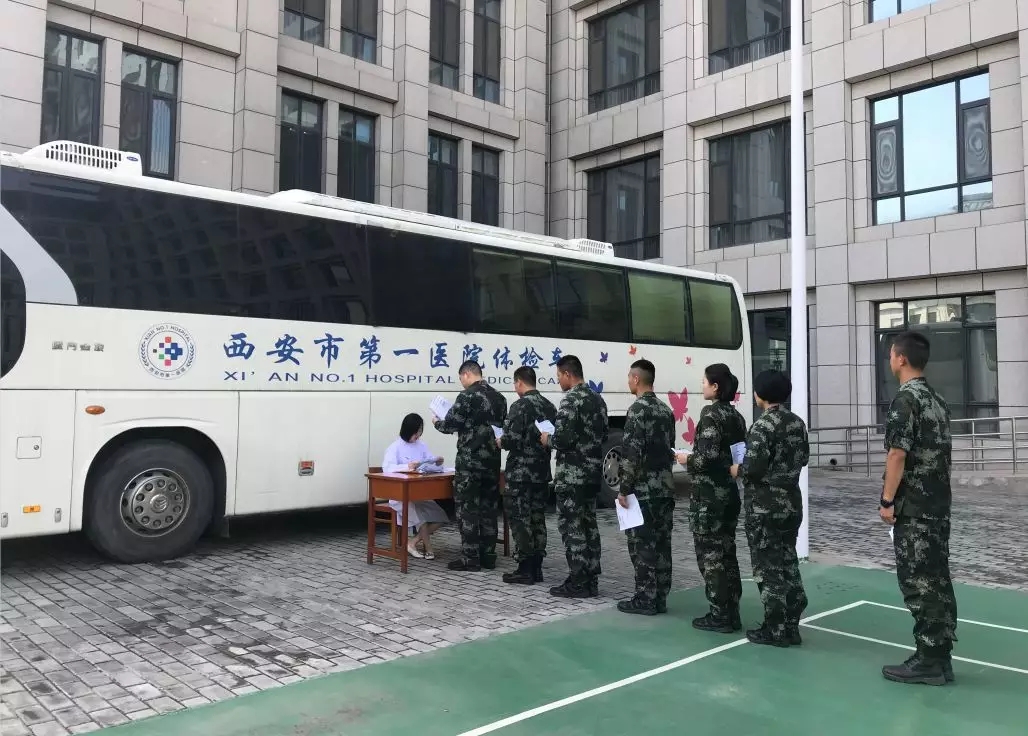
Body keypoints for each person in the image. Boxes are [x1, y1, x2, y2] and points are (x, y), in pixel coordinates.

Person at [879, 331, 957, 686]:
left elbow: (898, 453)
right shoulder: (937, 399)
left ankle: (928, 660)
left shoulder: (906, 399)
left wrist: (887, 500)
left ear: (901, 359)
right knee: (937, 579)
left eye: (892, 354)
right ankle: (940, 657)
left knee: (919, 582)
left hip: (914, 507)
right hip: (938, 505)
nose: (890, 360)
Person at [729, 370, 808, 647]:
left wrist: (736, 469)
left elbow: (752, 468)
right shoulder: (797, 423)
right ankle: (791, 625)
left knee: (768, 567)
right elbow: (803, 458)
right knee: (788, 561)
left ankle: (775, 629)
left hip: (765, 507)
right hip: (791, 504)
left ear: (760, 395)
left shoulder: (762, 426)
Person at [678, 363, 747, 632]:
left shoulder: (711, 415)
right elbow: (738, 456)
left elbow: (706, 459)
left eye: (705, 381)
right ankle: (732, 610)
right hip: (729, 494)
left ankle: (720, 614)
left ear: (715, 387)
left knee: (710, 556)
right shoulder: (737, 417)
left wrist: (686, 459)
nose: (702, 385)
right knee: (727, 553)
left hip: (709, 498)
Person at [540, 354, 607, 598]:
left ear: (568, 374)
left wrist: (548, 439)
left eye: (559, 376)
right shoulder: (598, 399)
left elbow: (563, 439)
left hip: (572, 476)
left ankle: (578, 580)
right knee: (589, 526)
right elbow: (603, 434)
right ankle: (591, 578)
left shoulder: (570, 400)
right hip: (592, 474)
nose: (558, 380)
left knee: (573, 528)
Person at [433, 360, 508, 571]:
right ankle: (488, 556)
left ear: (466, 374)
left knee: (468, 509)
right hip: (492, 462)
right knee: (489, 509)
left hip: (470, 463)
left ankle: (470, 558)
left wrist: (437, 422)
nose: (461, 382)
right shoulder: (500, 398)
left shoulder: (466, 396)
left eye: (460, 378)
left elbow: (451, 424)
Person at [617, 359, 676, 615]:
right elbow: (669, 448)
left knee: (642, 545)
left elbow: (631, 455)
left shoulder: (636, 410)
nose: (628, 382)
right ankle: (660, 596)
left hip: (643, 490)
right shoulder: (665, 410)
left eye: (629, 377)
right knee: (662, 543)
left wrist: (623, 489)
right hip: (664, 487)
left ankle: (645, 598)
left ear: (636, 379)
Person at [497, 366, 557, 585]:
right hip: (541, 472)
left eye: (515, 383)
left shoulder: (520, 406)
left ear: (519, 382)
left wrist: (500, 441)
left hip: (521, 474)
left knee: (521, 520)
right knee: (537, 518)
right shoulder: (549, 406)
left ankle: (525, 569)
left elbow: (511, 439)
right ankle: (537, 567)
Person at [381, 413, 449, 560]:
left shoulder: (421, 445)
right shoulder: (395, 447)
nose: (418, 436)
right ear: (407, 430)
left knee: (441, 516)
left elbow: (428, 462)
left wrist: (437, 462)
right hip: (400, 495)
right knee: (420, 519)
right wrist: (407, 466)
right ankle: (429, 549)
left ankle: (412, 542)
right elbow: (387, 468)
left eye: (420, 432)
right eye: (415, 432)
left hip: (418, 493)